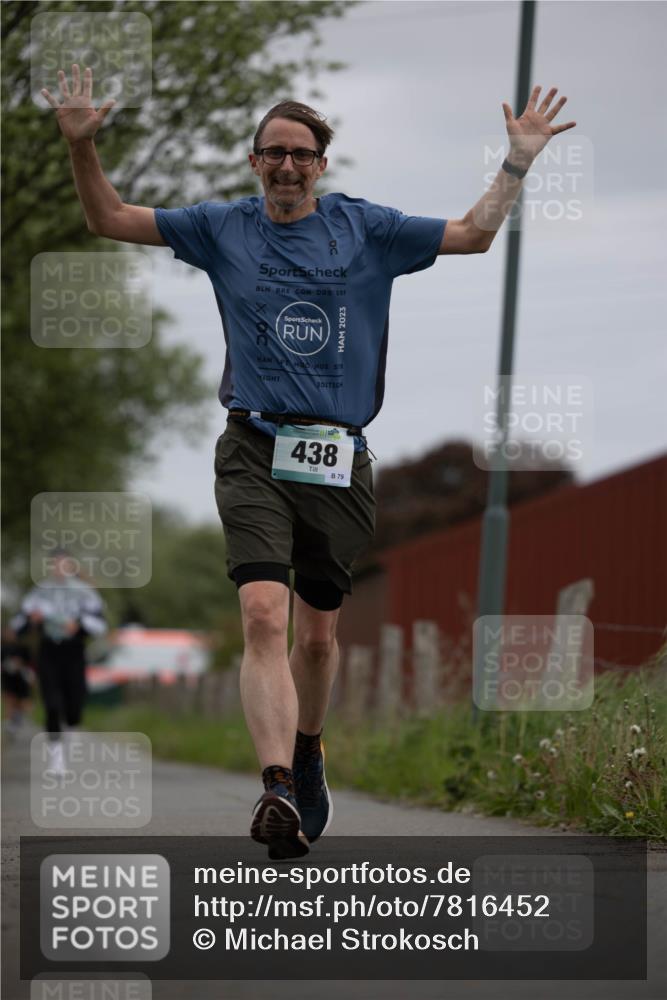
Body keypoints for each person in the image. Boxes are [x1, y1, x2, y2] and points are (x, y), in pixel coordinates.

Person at [42, 66, 575, 857]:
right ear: (253, 162)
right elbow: (110, 218)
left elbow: (473, 233)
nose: (286, 165)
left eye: (301, 153)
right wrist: (83, 147)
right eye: (272, 153)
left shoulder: (367, 229)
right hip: (252, 443)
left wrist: (518, 161)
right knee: (263, 614)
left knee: (317, 639)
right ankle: (275, 789)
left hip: (335, 453)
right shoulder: (220, 226)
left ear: (321, 164)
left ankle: (306, 749)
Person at [10, 550, 107, 773]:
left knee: (74, 704)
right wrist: (31, 621)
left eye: (63, 564)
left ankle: (71, 729)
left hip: (74, 652)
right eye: (55, 564)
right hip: (48, 652)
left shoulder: (85, 593)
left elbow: (100, 624)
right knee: (52, 703)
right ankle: (57, 759)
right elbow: (18, 624)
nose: (59, 568)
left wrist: (80, 624)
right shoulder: (39, 592)